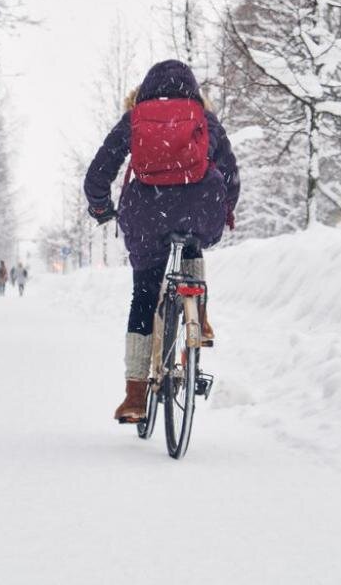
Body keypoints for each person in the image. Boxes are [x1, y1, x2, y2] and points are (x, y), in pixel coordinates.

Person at [84, 59, 240, 423]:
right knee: (192, 238)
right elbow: (231, 172)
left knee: (144, 294)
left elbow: (99, 172)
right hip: (199, 204)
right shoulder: (203, 118)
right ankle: (196, 317)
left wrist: (101, 207)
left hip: (147, 211)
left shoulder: (135, 119)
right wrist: (224, 208)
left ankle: (135, 395)